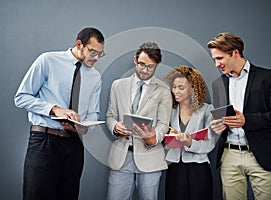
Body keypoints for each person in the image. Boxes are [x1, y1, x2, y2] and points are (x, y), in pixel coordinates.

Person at [14, 27, 105, 200]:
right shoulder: (48, 60)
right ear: (79, 44)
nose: (96, 58)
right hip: (44, 142)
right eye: (93, 52)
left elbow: (93, 113)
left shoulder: (95, 77)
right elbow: (21, 97)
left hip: (74, 145)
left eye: (100, 54)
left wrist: (83, 128)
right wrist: (55, 109)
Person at [207, 32, 271, 200]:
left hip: (261, 156)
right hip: (228, 156)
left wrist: (247, 120)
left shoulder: (268, 77)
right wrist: (217, 126)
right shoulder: (218, 84)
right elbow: (220, 120)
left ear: (235, 52)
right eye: (214, 59)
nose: (217, 64)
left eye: (220, 58)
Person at [106, 42, 172, 200]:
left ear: (157, 65)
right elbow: (110, 115)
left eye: (151, 67)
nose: (145, 70)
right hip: (121, 157)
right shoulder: (118, 85)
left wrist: (153, 138)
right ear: (135, 60)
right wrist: (115, 127)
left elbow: (164, 123)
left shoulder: (163, 90)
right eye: (142, 64)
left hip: (150, 158)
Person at [164, 65, 217, 200]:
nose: (175, 91)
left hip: (198, 169)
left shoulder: (207, 110)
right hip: (174, 168)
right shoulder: (170, 110)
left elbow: (210, 144)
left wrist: (189, 143)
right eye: (174, 87)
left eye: (181, 88)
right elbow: (163, 140)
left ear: (193, 89)